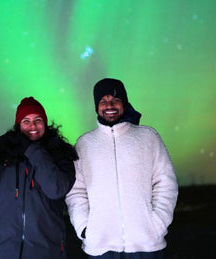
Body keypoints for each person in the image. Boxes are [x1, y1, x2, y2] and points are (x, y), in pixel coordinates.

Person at [66, 78, 178, 258]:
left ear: (124, 104)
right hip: (101, 246)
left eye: (115, 100)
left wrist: (157, 224)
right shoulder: (84, 144)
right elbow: (76, 191)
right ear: (97, 107)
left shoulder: (148, 137)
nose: (109, 105)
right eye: (103, 101)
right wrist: (85, 228)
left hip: (146, 244)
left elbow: (165, 182)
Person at [0, 96, 78, 259]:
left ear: (45, 123)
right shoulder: (3, 158)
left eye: (37, 119)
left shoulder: (60, 155)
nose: (32, 125)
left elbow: (55, 189)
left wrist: (32, 150)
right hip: (3, 252)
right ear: (18, 125)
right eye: (26, 120)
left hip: (46, 252)